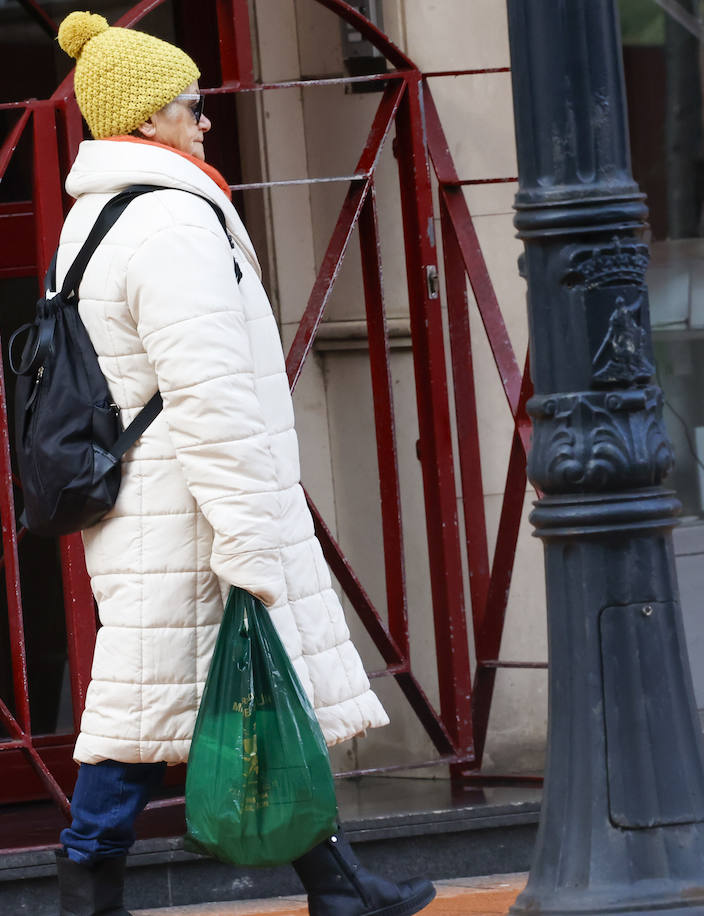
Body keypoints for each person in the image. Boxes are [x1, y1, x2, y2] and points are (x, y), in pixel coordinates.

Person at [50, 12, 435, 916]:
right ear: (145, 121)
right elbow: (211, 397)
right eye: (190, 105)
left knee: (239, 693)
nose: (206, 120)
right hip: (192, 502)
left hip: (159, 497)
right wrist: (249, 536)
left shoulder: (99, 216)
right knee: (148, 715)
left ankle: (337, 886)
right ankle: (86, 886)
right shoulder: (174, 225)